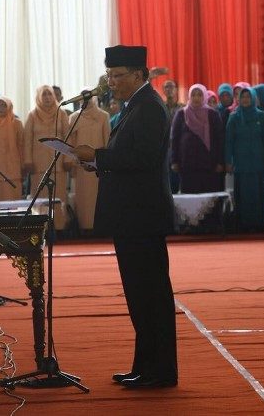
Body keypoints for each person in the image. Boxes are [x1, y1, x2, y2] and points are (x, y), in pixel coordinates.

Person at [74, 45, 177, 389]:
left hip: (142, 216)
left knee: (151, 295)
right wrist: (98, 161)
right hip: (132, 215)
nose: (111, 82)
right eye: (109, 75)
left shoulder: (148, 106)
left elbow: (142, 159)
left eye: (117, 76)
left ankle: (160, 371)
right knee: (139, 294)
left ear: (139, 75)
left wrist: (99, 156)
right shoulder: (135, 106)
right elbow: (128, 156)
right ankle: (145, 366)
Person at [224, 87, 264, 231]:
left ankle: (260, 224)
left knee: (259, 194)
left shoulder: (262, 116)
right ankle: (244, 225)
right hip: (241, 164)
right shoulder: (234, 117)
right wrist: (228, 161)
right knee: (244, 195)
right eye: (243, 97)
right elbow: (229, 141)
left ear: (253, 98)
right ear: (239, 99)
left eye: (248, 97)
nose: (245, 100)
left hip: (259, 164)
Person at [23, 85, 70, 231]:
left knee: (59, 196)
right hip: (38, 165)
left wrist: (68, 160)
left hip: (59, 163)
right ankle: (42, 229)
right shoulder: (32, 115)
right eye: (44, 95)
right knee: (41, 199)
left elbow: (67, 138)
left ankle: (59, 229)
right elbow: (27, 140)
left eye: (50, 95)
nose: (48, 98)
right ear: (38, 97)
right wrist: (28, 161)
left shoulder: (61, 113)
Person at [170, 84, 224, 193]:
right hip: (187, 165)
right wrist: (174, 161)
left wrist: (220, 161)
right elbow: (174, 139)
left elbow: (220, 140)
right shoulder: (181, 114)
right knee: (189, 199)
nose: (196, 98)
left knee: (208, 201)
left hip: (209, 164)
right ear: (189, 96)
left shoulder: (212, 114)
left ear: (204, 97)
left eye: (199, 95)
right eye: (193, 95)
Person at [68, 94, 110, 232]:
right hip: (81, 167)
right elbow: (71, 144)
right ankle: (84, 229)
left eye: (89, 96)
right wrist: (73, 163)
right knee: (83, 200)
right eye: (84, 97)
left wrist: (105, 162)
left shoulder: (103, 116)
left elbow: (107, 141)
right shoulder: (74, 117)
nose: (87, 100)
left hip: (99, 165)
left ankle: (99, 228)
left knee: (98, 196)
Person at [162, 79, 183, 193]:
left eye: (171, 87)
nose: (169, 90)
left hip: (180, 149)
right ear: (163, 90)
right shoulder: (159, 108)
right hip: (165, 149)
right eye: (166, 87)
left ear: (176, 90)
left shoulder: (183, 108)